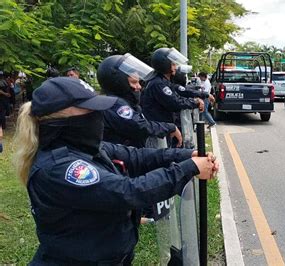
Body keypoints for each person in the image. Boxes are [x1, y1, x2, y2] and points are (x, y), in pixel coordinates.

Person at [12, 77, 218, 264]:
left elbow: (135, 156)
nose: (97, 116)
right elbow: (128, 192)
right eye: (89, 110)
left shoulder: (83, 148)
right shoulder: (60, 167)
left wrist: (185, 155)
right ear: (61, 119)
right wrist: (187, 169)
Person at [97, 53, 183, 148]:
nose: (139, 87)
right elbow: (139, 126)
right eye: (134, 82)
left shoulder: (123, 102)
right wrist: (169, 127)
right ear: (118, 83)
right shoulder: (114, 104)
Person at [141, 48, 204, 140]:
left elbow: (178, 95)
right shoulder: (158, 83)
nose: (176, 67)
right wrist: (195, 102)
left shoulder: (164, 81)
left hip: (163, 127)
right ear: (165, 65)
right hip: (158, 131)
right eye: (173, 64)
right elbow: (175, 102)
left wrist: (196, 99)